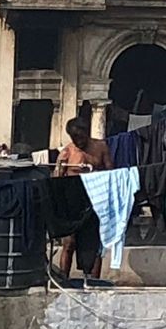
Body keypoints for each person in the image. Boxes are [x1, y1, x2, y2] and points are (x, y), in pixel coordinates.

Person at [54, 116, 110, 281]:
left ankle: (94, 281)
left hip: (95, 199)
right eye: (74, 138)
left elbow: (111, 172)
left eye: (80, 137)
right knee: (69, 242)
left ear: (87, 133)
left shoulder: (101, 147)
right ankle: (64, 278)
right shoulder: (67, 152)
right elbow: (57, 180)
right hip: (73, 201)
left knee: (95, 243)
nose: (78, 141)